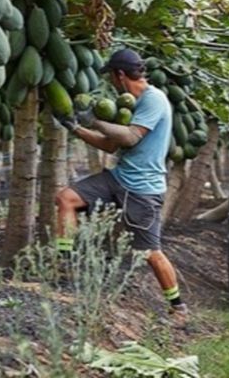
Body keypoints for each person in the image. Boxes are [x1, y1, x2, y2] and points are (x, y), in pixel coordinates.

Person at [55, 48, 188, 327]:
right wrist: (76, 128)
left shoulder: (154, 100)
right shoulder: (128, 105)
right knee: (67, 199)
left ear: (120, 75)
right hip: (118, 178)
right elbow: (110, 144)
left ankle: (179, 307)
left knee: (149, 252)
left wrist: (94, 120)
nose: (112, 84)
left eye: (113, 78)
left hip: (143, 189)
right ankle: (63, 265)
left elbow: (128, 138)